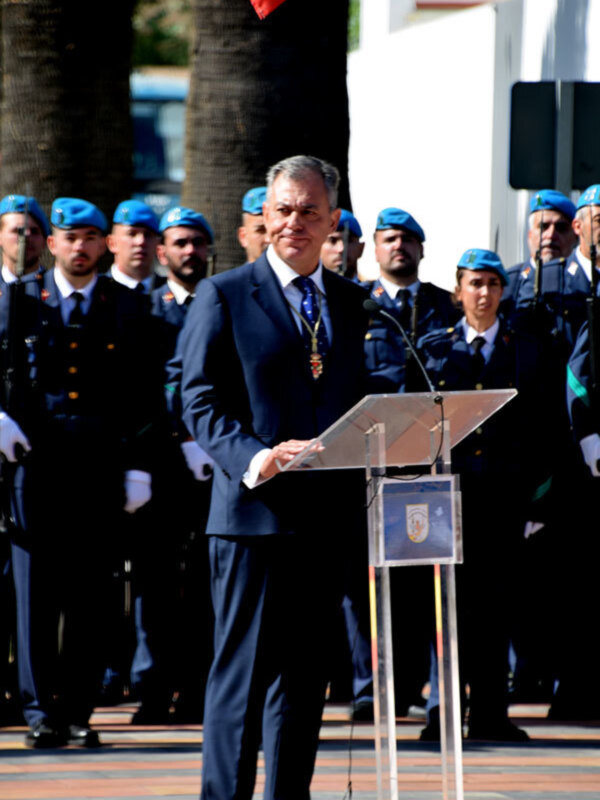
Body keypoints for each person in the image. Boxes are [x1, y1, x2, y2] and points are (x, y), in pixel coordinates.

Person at [178, 155, 370, 800]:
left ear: (332, 220)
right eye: (282, 210)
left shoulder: (350, 301)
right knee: (243, 675)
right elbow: (199, 398)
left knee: (302, 678)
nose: (294, 222)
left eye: (309, 211)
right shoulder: (226, 294)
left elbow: (357, 396)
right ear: (263, 216)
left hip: (325, 519)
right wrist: (256, 458)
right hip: (253, 519)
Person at [0, 197, 162, 748]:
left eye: (92, 237)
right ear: (51, 244)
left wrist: (138, 466)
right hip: (34, 468)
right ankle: (39, 711)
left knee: (92, 598)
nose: (81, 246)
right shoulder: (20, 301)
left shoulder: (129, 308)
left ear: (105, 244)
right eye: (70, 236)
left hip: (100, 469)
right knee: (35, 598)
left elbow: (145, 396)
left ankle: (78, 711)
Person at [416, 248, 555, 741]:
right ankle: (443, 713)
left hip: (503, 501)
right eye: (474, 283)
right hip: (446, 502)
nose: (484, 293)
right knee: (446, 607)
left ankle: (491, 713)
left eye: (493, 284)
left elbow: (546, 432)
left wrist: (537, 503)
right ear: (458, 290)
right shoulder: (431, 350)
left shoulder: (528, 349)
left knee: (496, 609)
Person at [127, 206, 216, 724]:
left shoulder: (221, 301)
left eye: (197, 243)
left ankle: (200, 688)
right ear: (163, 253)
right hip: (161, 465)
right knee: (155, 585)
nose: (189, 252)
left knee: (207, 581)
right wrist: (176, 438)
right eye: (179, 243)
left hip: (212, 468)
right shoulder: (145, 309)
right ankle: (154, 688)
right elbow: (142, 387)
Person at [0, 194, 50, 726]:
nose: (23, 240)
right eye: (15, 230)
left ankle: (35, 703)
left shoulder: (49, 297)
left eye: (32, 231)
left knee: (32, 589)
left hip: (34, 465)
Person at [364, 207, 459, 392]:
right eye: (390, 239)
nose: (399, 245)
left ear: (421, 250)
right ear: (376, 251)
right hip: (375, 414)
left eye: (407, 239)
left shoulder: (446, 304)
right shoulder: (359, 302)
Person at [108, 199, 162, 293]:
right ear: (112, 243)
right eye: (131, 234)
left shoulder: (170, 293)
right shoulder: (94, 293)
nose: (141, 242)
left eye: (148, 235)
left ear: (158, 244)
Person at [320, 208, 365, 281]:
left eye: (349, 241)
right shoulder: (306, 290)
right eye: (332, 241)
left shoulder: (370, 291)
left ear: (361, 248)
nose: (341, 249)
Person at [237, 186, 268, 262]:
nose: (269, 239)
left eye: (274, 230)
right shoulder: (234, 274)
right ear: (243, 237)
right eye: (261, 230)